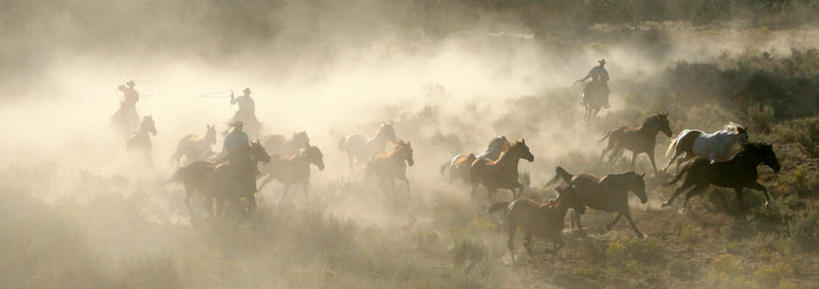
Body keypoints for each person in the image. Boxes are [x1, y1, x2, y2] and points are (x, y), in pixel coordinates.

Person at [222, 121, 258, 195]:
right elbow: (228, 145)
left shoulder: (244, 134)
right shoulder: (230, 135)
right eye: (240, 127)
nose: (241, 128)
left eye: (242, 127)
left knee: (252, 164)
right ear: (236, 127)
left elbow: (246, 143)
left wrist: (246, 149)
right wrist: (236, 149)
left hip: (244, 153)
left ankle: (252, 187)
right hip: (234, 154)